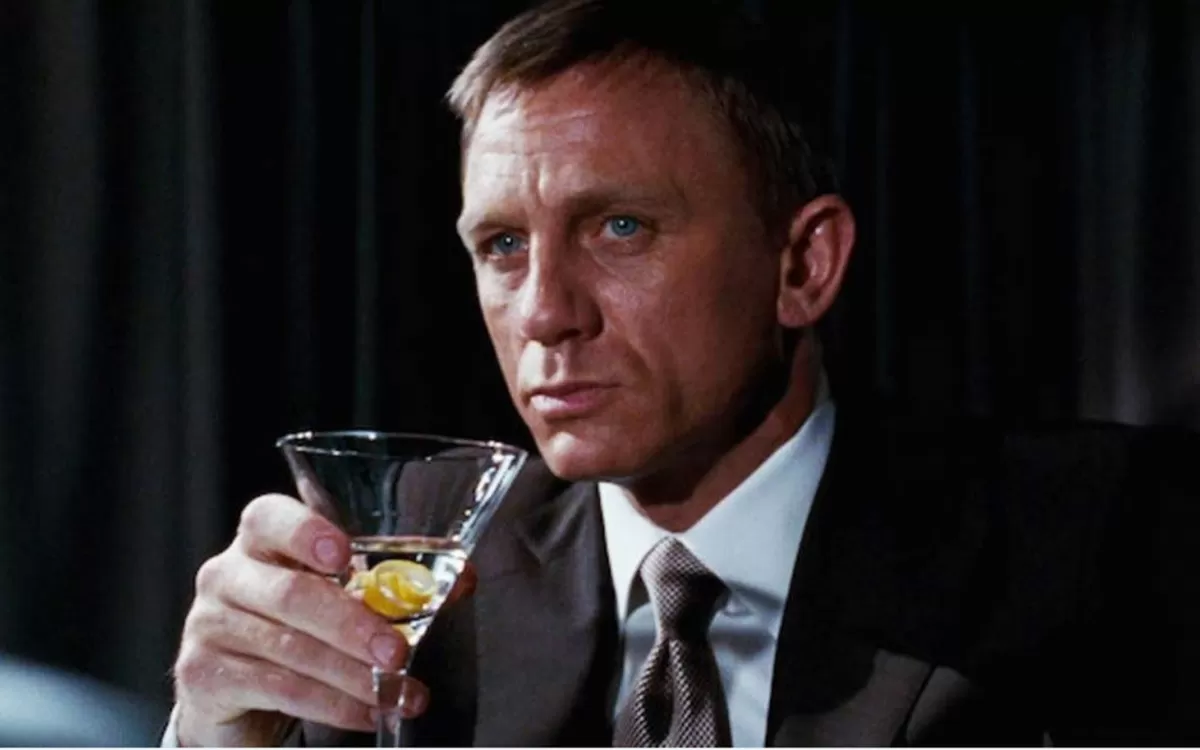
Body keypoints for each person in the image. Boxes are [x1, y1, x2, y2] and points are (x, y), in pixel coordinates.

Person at [165, 0, 1200, 745]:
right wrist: (216, 738)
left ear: (803, 266)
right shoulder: (420, 570)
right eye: (502, 246)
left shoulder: (1101, 535)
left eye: (620, 227)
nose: (546, 312)